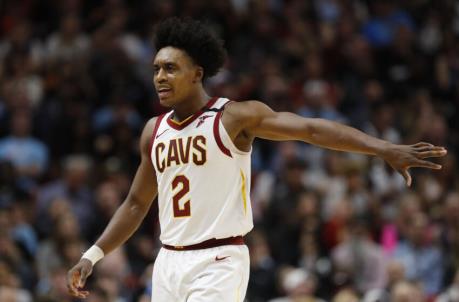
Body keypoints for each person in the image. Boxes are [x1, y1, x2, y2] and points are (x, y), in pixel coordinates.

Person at [66, 17, 447, 301]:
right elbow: (135, 203)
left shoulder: (234, 117)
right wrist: (93, 255)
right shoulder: (154, 130)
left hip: (219, 258)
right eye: (156, 69)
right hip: (168, 261)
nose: (160, 77)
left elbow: (310, 129)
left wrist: (383, 148)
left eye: (170, 68)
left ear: (197, 74)